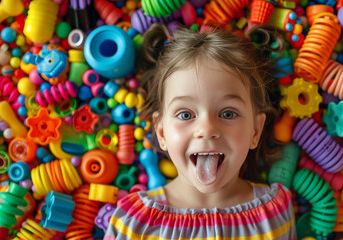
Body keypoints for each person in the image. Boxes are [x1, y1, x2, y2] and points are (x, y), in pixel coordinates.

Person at [104, 24, 296, 240]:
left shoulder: (276, 211)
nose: (206, 129)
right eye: (186, 115)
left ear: (255, 131)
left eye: (228, 114)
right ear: (162, 133)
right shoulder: (133, 223)